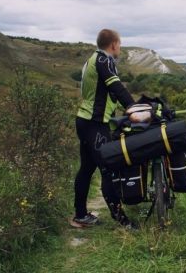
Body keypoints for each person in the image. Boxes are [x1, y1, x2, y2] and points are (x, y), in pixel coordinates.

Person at [71, 29, 138, 230]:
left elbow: (108, 93)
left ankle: (81, 215)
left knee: (87, 168)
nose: (120, 48)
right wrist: (134, 108)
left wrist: (124, 109)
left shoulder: (92, 60)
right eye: (120, 44)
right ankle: (121, 220)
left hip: (86, 121)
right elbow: (116, 86)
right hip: (95, 124)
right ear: (114, 44)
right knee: (108, 169)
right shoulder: (105, 60)